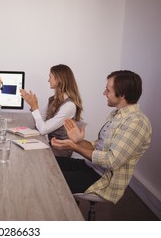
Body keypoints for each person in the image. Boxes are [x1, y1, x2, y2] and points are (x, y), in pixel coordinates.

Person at [52, 70, 152, 204]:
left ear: (122, 94)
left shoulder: (136, 122)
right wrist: (79, 142)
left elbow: (112, 161)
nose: (104, 93)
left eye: (108, 90)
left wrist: (75, 147)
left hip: (101, 178)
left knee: (48, 178)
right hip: (90, 166)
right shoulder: (115, 114)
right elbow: (98, 146)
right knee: (48, 164)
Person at [20, 64, 83, 157]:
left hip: (60, 152)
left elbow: (43, 129)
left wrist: (35, 107)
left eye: (50, 77)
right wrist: (33, 106)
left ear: (59, 80)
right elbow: (39, 122)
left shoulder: (69, 105)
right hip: (51, 145)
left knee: (27, 155)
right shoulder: (53, 99)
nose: (48, 80)